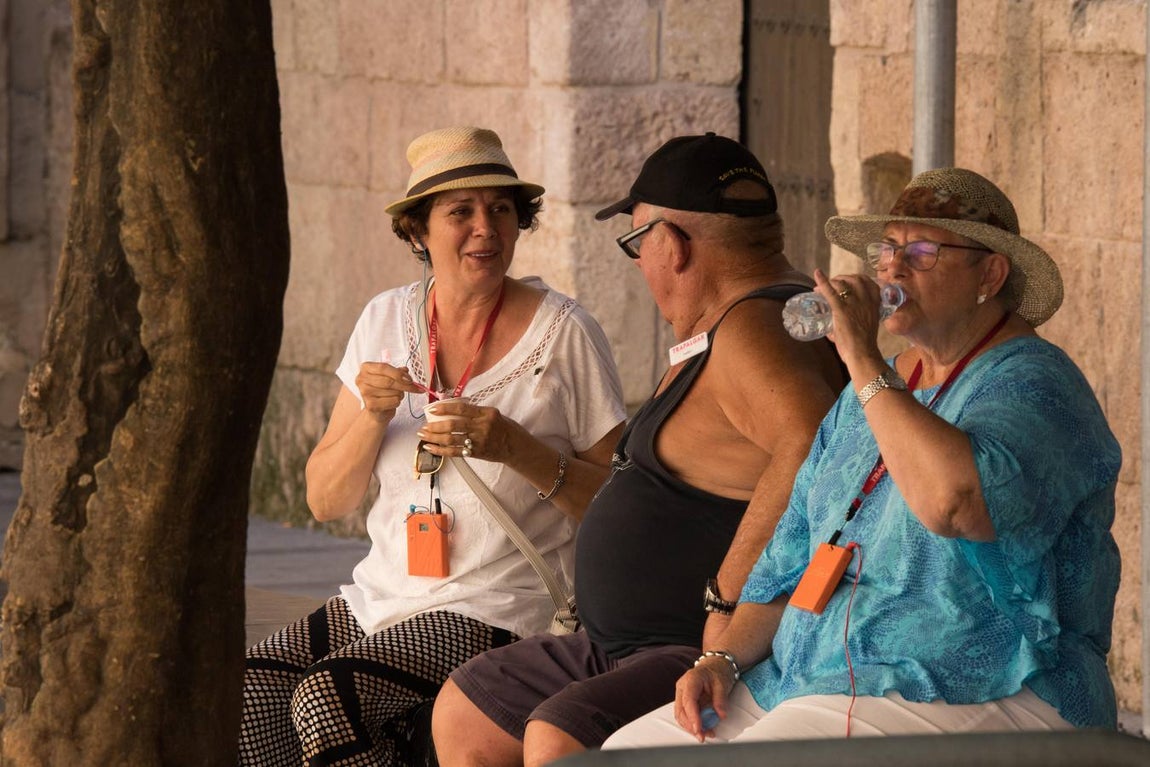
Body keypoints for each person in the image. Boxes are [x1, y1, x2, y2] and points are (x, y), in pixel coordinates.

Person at [603, 168, 1122, 750]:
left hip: (985, 680)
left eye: (921, 251)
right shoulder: (865, 395)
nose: (892, 270)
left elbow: (955, 504)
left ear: (990, 273)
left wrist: (861, 356)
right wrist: (721, 660)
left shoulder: (1034, 382)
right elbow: (790, 558)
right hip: (817, 676)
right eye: (886, 250)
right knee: (629, 752)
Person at [432, 133, 847, 766]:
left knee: (559, 738)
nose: (638, 263)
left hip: (688, 648)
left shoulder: (751, 331)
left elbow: (814, 443)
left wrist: (726, 602)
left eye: (636, 244)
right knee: (469, 710)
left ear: (673, 245)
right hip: (618, 637)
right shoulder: (743, 316)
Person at [237, 126, 627, 765]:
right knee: (251, 687)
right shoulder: (384, 320)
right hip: (384, 597)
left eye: (501, 208)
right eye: (461, 211)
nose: (486, 227)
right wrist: (373, 415)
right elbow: (324, 500)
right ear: (418, 231)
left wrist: (513, 446)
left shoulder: (565, 335)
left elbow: (621, 506)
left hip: (502, 605)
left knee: (327, 698)